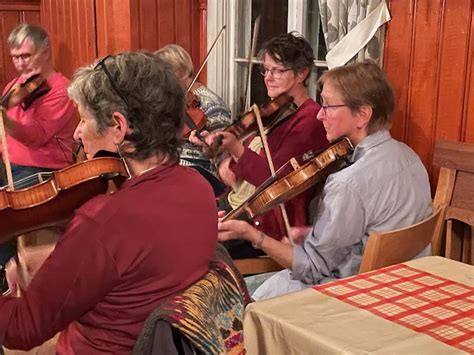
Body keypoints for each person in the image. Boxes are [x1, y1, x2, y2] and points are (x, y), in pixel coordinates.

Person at [0, 52, 218, 353]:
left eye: (85, 119)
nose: (77, 132)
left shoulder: (104, 218)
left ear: (118, 127)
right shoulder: (198, 187)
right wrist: (54, 259)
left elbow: (20, 329)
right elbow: (139, 261)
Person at [217, 60, 432, 300]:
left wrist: (253, 235)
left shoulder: (348, 183)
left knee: (233, 297)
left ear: (362, 115)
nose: (319, 115)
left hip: (351, 295)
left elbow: (311, 268)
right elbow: (368, 229)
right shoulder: (410, 157)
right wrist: (314, 234)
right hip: (403, 285)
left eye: (328, 106)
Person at [191, 32, 328, 259]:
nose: (268, 77)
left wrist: (235, 149)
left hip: (267, 220)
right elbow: (242, 166)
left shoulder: (310, 120)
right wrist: (221, 153)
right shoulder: (275, 111)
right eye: (266, 69)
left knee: (192, 240)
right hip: (237, 201)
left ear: (302, 74)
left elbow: (274, 180)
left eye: (278, 70)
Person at [0, 24, 77, 283]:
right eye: (15, 57)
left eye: (26, 56)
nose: (20, 64)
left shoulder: (61, 90)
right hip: (8, 164)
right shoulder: (14, 86)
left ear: (45, 52)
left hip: (42, 172)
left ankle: (8, 274)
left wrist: (6, 121)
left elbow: (36, 136)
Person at [154, 44, 232, 196]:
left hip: (200, 173)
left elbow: (223, 152)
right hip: (170, 170)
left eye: (166, 75)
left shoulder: (211, 104)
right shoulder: (170, 100)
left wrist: (206, 142)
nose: (162, 83)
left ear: (182, 73)